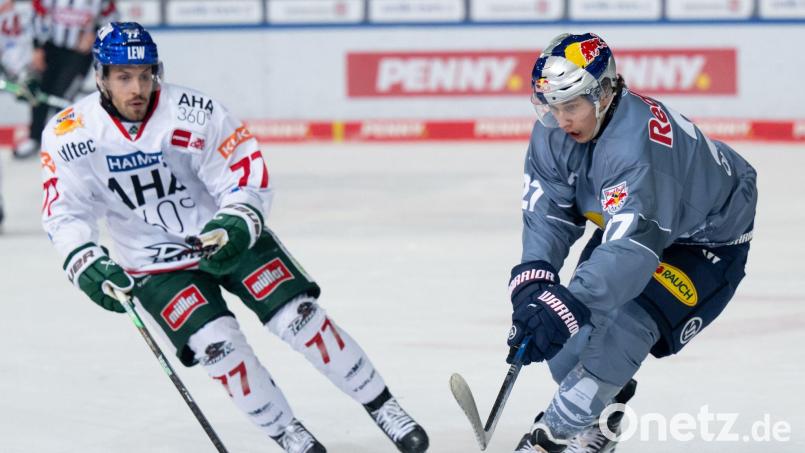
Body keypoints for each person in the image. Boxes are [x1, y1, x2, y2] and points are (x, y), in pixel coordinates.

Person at [41, 22, 429, 453]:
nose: (138, 88)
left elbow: (245, 175)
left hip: (224, 238)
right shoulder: (68, 134)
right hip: (153, 264)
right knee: (219, 347)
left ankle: (383, 406)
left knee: (300, 318)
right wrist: (85, 262)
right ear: (100, 76)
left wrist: (236, 221)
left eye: (146, 74)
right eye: (124, 77)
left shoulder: (194, 111)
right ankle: (288, 432)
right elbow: (64, 213)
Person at [505, 33, 756, 453]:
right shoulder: (555, 132)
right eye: (551, 107)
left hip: (706, 239)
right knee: (567, 345)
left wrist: (563, 304)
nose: (561, 120)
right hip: (637, 220)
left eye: (571, 106)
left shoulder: (637, 147)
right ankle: (605, 417)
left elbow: (632, 251)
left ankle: (551, 438)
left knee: (624, 329)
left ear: (603, 93)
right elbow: (549, 210)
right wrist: (536, 279)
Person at [14, 0, 117, 158]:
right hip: (52, 48)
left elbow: (110, 19)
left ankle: (60, 141)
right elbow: (37, 13)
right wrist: (37, 48)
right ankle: (35, 138)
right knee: (40, 93)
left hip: (79, 55)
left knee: (62, 98)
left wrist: (94, 35)